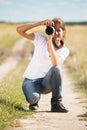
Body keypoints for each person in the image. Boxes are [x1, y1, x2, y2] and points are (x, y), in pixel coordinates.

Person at [16, 17, 69, 112]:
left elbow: (55, 63)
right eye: (54, 30)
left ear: (64, 32)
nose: (56, 33)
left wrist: (49, 42)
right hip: (31, 80)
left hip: (46, 83)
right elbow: (19, 30)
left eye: (59, 30)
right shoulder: (40, 39)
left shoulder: (64, 50)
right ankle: (34, 102)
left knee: (57, 69)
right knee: (33, 98)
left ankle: (56, 104)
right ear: (49, 30)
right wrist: (40, 23)